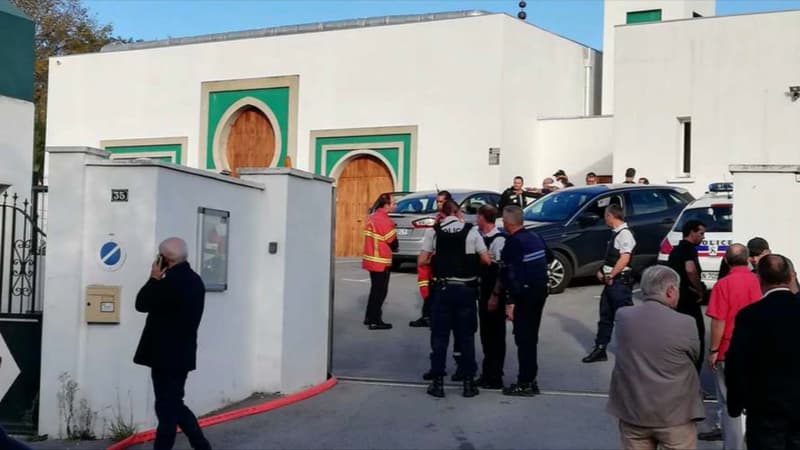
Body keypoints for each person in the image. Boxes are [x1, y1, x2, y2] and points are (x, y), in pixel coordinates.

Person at [607, 265, 705, 450]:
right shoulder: (686, 323)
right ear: (670, 291)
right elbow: (694, 355)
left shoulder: (623, 316)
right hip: (675, 415)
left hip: (634, 412)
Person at [134, 238, 212, 450]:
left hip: (162, 356)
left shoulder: (167, 284)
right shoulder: (196, 281)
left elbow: (141, 303)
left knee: (167, 410)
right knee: (173, 405)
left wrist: (153, 279)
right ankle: (201, 445)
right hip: (183, 354)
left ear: (164, 258)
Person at [726, 255, 800, 449]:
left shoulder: (750, 315)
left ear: (760, 279)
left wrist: (735, 403)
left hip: (765, 409)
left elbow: (736, 362)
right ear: (790, 276)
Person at [419, 200, 491, 398]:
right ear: (458, 212)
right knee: (466, 337)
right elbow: (486, 260)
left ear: (442, 213)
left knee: (439, 338)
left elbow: (422, 260)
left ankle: (438, 383)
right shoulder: (471, 231)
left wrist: (439, 257)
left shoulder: (434, 231)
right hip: (466, 290)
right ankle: (468, 384)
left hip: (442, 289)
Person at [701, 244, 761, 447]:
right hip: (757, 350)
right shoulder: (759, 281)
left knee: (729, 405)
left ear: (726, 261)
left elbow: (719, 320)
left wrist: (714, 350)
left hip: (729, 351)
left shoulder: (723, 285)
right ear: (747, 259)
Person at [490, 205, 552, 396]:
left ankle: (524, 382)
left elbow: (508, 274)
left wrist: (506, 301)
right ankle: (531, 379)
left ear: (508, 223)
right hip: (540, 293)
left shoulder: (513, 243)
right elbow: (549, 257)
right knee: (531, 337)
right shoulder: (535, 237)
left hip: (524, 296)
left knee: (523, 338)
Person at [583, 204, 636, 363]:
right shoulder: (615, 234)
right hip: (611, 281)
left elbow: (625, 258)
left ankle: (632, 352)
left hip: (619, 282)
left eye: (606, 215)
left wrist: (611, 274)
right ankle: (600, 349)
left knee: (624, 318)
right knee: (605, 316)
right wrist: (601, 271)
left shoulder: (625, 235)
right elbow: (612, 258)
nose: (604, 218)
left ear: (611, 216)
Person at [668, 219, 707, 373]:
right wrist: (699, 290)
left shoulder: (675, 250)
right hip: (688, 300)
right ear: (692, 232)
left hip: (676, 301)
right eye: (701, 233)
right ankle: (694, 380)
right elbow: (690, 270)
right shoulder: (688, 249)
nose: (703, 237)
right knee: (697, 339)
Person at [476, 204, 507, 389]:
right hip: (483, 290)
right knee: (486, 335)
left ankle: (495, 375)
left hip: (494, 292)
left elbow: (501, 270)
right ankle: (487, 372)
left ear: (483, 218)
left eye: (478, 216)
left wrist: (495, 296)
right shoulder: (480, 237)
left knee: (495, 334)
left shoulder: (499, 240)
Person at [362, 193, 398, 330]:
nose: (395, 205)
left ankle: (369, 317)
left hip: (371, 259)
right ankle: (375, 320)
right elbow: (392, 241)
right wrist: (396, 245)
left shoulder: (372, 217)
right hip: (381, 261)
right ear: (386, 205)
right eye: (393, 203)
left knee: (375, 290)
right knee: (380, 292)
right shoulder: (384, 220)